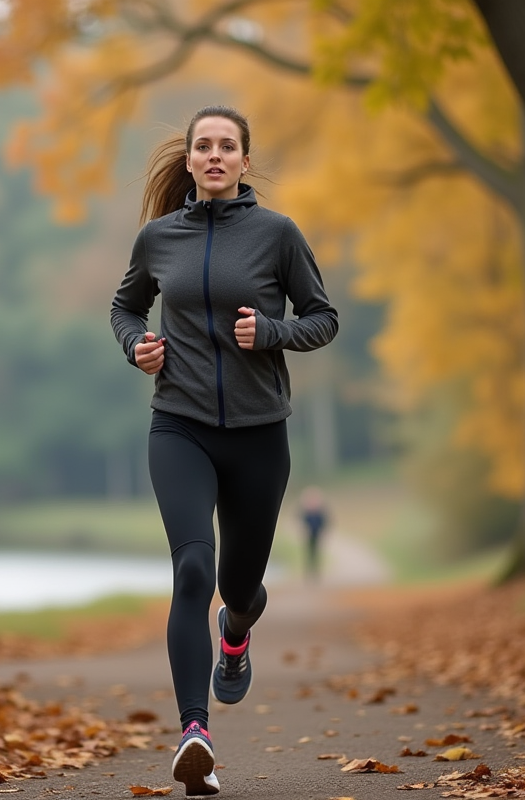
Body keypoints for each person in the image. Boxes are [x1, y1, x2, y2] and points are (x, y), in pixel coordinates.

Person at [110, 105, 339, 796]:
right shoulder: (158, 240)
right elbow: (125, 308)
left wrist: (271, 332)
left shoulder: (277, 236)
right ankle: (194, 735)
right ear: (188, 161)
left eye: (227, 146)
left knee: (237, 588)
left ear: (244, 161)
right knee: (190, 571)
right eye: (202, 146)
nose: (214, 156)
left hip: (259, 434)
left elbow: (322, 318)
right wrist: (137, 346)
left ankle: (236, 630)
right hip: (178, 425)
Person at [299, 486, 329, 581]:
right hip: (308, 536)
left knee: (316, 554)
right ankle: (308, 574)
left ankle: (316, 573)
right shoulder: (306, 512)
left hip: (317, 535)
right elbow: (302, 522)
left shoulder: (319, 512)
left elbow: (324, 522)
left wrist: (323, 532)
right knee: (308, 554)